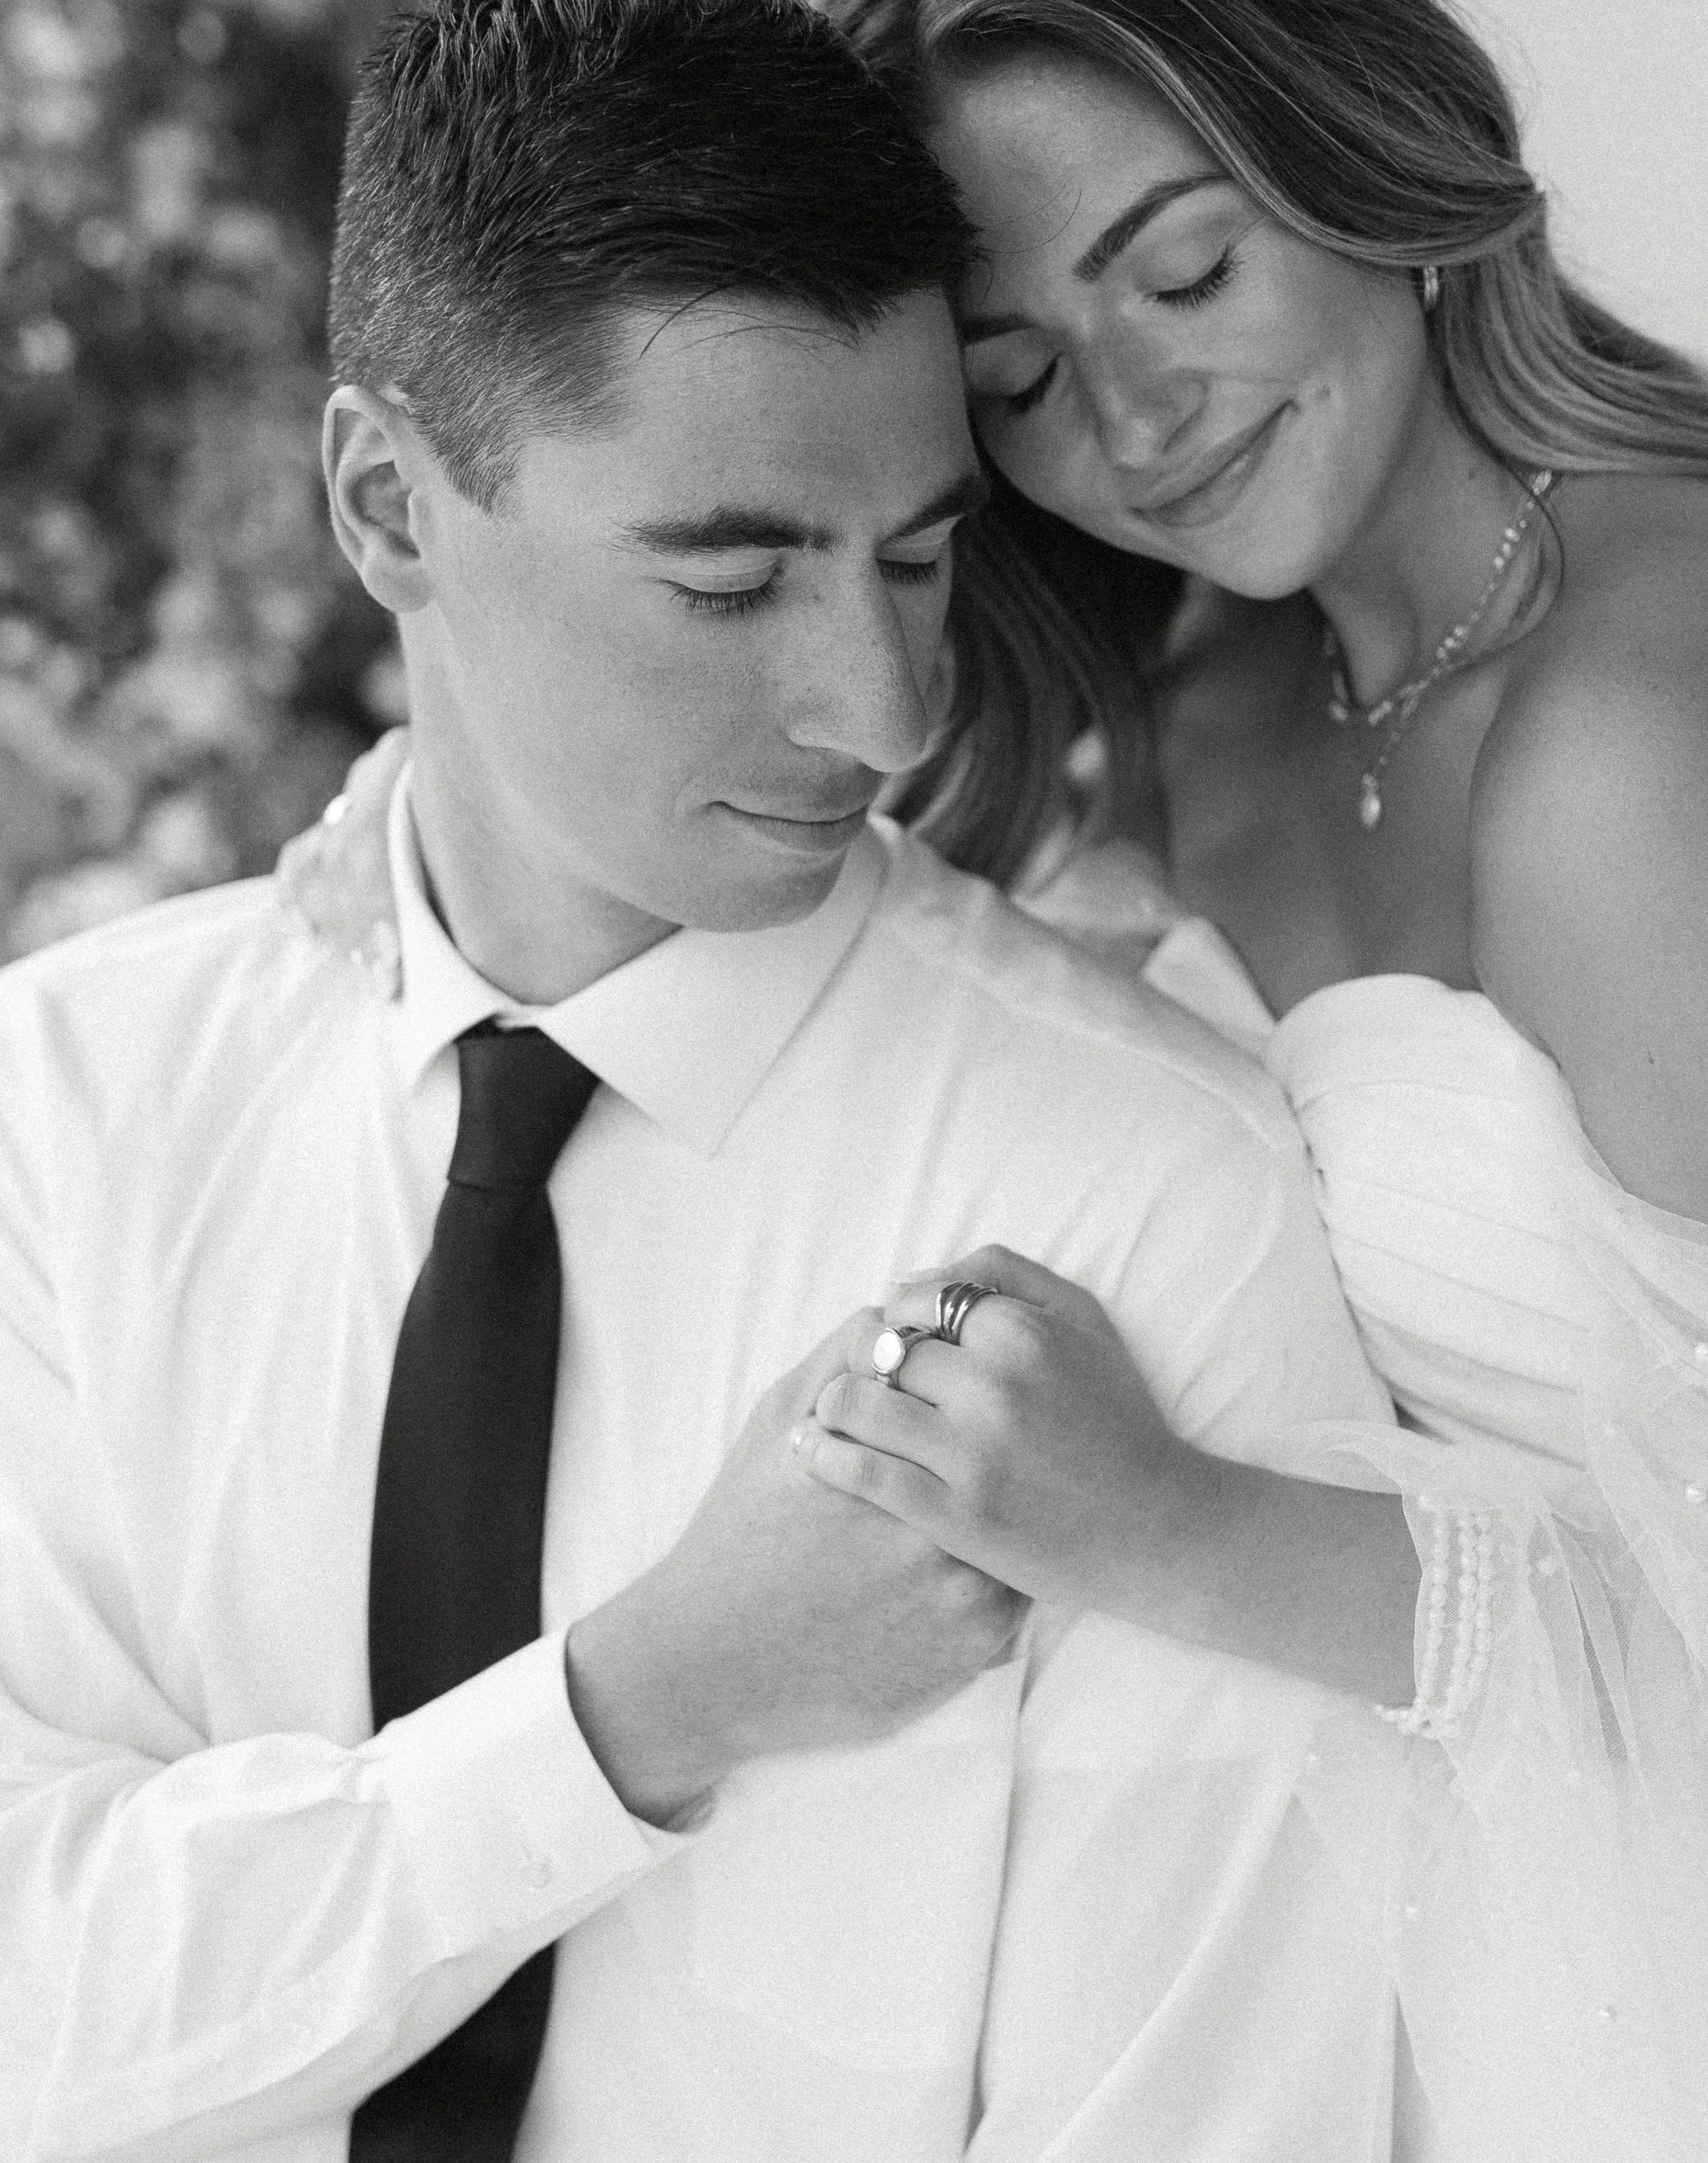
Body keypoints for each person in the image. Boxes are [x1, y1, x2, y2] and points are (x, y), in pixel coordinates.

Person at [288, 0, 1708, 2157]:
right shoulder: (1197, 668)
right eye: (1016, 376)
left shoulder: (1658, 725)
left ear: (1374, 163)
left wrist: (1178, 1532)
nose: (1131, 416)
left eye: (1184, 271)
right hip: (1374, 1962)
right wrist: (445, 810)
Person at [0, 3, 1433, 2159]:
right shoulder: (70, 1112)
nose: (874, 711)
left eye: (922, 557)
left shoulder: (1144, 1205)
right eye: (731, 575)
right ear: (391, 502)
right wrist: (624, 1719)